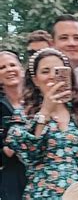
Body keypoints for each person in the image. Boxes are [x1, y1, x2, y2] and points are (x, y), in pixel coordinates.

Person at [4, 48, 78, 199]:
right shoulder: (24, 114)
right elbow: (29, 154)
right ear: (35, 79)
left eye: (58, 70)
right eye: (45, 71)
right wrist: (45, 112)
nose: (53, 76)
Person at [0, 51, 27, 200]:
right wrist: (7, 150)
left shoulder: (40, 100)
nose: (9, 69)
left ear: (21, 69)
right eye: (2, 67)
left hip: (45, 175)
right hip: (12, 180)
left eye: (12, 65)